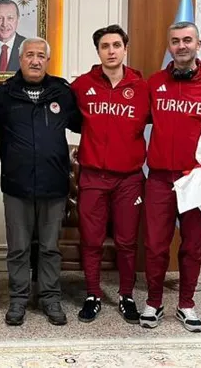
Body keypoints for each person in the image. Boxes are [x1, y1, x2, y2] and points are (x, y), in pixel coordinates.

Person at [141, 21, 201, 333]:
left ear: (198, 44)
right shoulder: (155, 83)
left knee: (192, 245)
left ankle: (186, 303)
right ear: (169, 46)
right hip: (159, 178)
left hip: (196, 179)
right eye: (175, 41)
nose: (181, 46)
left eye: (187, 40)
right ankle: (153, 302)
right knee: (155, 245)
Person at [0, 37, 81, 326]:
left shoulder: (62, 92)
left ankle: (50, 297)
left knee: (49, 247)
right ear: (20, 59)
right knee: (18, 247)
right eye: (29, 54)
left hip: (53, 184)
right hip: (16, 184)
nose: (35, 60)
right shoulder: (2, 94)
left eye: (41, 55)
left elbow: (82, 123)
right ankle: (18, 298)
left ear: (47, 60)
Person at [70, 25, 150, 324]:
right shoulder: (82, 86)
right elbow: (71, 119)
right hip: (93, 176)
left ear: (125, 49)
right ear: (98, 51)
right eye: (105, 46)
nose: (111, 51)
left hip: (129, 179)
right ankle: (93, 294)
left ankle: (126, 294)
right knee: (91, 240)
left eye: (116, 45)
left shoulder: (142, 87)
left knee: (127, 241)